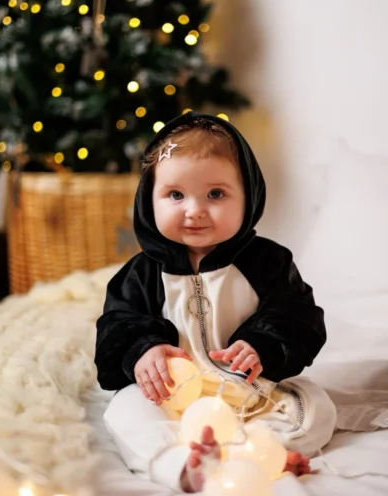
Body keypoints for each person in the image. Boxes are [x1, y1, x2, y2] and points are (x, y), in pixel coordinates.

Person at [95, 111, 336, 493]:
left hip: (249, 396)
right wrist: (144, 349)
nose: (194, 210)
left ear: (248, 196)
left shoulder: (268, 262)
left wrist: (261, 343)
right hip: (171, 397)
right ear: (149, 199)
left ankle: (261, 451)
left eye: (216, 194)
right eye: (176, 195)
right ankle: (184, 465)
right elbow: (117, 324)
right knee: (124, 409)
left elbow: (299, 315)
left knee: (317, 407)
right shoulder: (141, 273)